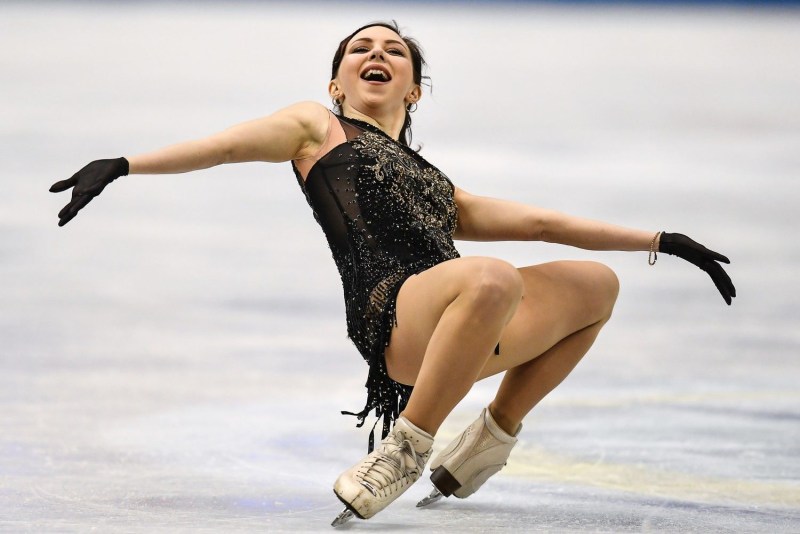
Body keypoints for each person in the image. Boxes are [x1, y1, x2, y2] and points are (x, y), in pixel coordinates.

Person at [50, 21, 735, 527]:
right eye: (360, 50)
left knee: (595, 287)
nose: (376, 55)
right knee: (493, 277)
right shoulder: (315, 129)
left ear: (414, 87)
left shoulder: (439, 187)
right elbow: (228, 144)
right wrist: (125, 163)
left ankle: (488, 439)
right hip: (395, 318)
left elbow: (544, 223)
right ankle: (404, 451)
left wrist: (659, 239)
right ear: (335, 82)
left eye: (394, 51)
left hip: (464, 324)